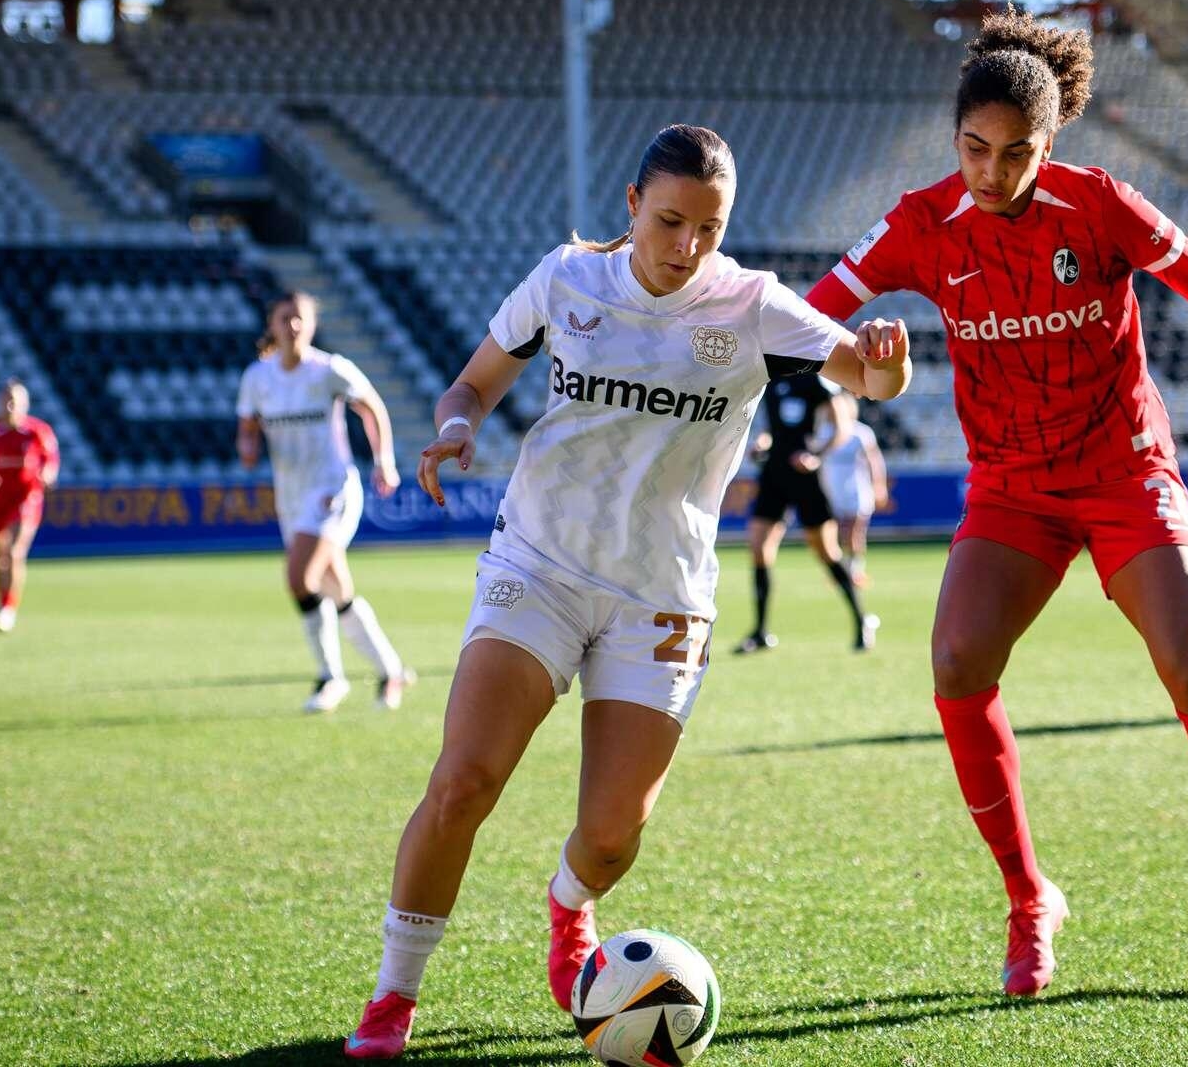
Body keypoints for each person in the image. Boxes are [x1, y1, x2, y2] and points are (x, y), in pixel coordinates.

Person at [804, 7, 1188, 996]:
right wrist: (837, 367)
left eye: (1017, 153)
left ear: (1050, 141)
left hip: (1125, 472)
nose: (993, 172)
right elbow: (801, 316)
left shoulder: (1100, 205)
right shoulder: (918, 225)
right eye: (975, 150)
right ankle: (1030, 899)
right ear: (955, 142)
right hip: (1013, 489)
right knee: (955, 661)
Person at [341, 124, 911, 1060]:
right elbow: (475, 383)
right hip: (538, 565)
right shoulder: (567, 279)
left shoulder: (754, 306)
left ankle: (571, 908)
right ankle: (393, 996)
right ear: (632, 208)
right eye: (671, 220)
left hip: (662, 595)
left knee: (610, 839)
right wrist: (449, 431)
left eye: (710, 227)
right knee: (464, 780)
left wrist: (888, 358)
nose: (688, 246)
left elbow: (872, 376)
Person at [236, 292, 413, 714]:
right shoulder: (257, 377)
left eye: (300, 319)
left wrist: (384, 460)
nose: (293, 326)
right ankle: (391, 671)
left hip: (332, 488)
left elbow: (372, 407)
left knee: (299, 579)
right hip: (291, 495)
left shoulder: (329, 369)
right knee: (336, 590)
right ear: (272, 325)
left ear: (311, 325)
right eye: (285, 319)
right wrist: (247, 445)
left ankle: (331, 678)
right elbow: (246, 425)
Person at [734, 372, 878, 653]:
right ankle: (760, 631)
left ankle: (862, 620)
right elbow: (770, 427)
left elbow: (842, 428)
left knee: (826, 552)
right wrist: (763, 443)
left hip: (804, 477)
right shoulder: (771, 378)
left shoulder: (817, 379)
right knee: (758, 548)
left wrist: (817, 456)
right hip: (774, 474)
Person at [0, 378, 58, 633]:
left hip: (26, 498)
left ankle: (9, 607)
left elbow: (51, 459)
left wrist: (47, 475)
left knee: (14, 553)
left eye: (15, 401)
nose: (10, 405)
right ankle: (1, 597)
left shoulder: (38, 431)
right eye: (6, 400)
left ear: (25, 404)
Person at [820, 390, 890, 586]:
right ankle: (839, 571)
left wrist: (879, 485)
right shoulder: (823, 431)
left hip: (856, 489)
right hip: (831, 489)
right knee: (833, 534)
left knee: (854, 532)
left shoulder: (861, 433)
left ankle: (855, 570)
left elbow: (874, 461)